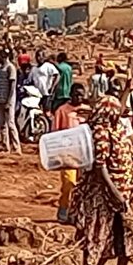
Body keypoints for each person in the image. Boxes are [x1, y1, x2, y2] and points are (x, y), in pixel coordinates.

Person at [71, 95, 133, 265]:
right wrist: (115, 193)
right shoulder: (100, 133)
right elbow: (100, 167)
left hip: (120, 193)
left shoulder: (115, 129)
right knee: (98, 238)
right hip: (102, 197)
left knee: (129, 233)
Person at [54, 84, 86, 223]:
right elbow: (55, 133)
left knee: (83, 186)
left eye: (81, 95)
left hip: (84, 155)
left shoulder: (86, 111)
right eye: (76, 94)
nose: (79, 97)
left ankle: (78, 214)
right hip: (68, 155)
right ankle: (63, 210)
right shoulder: (62, 111)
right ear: (71, 94)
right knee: (69, 183)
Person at [0, 50, 20, 154]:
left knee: (11, 123)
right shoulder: (1, 68)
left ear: (3, 57)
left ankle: (16, 147)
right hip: (0, 99)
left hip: (8, 100)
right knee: (2, 124)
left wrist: (9, 101)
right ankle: (6, 146)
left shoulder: (10, 68)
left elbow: (12, 85)